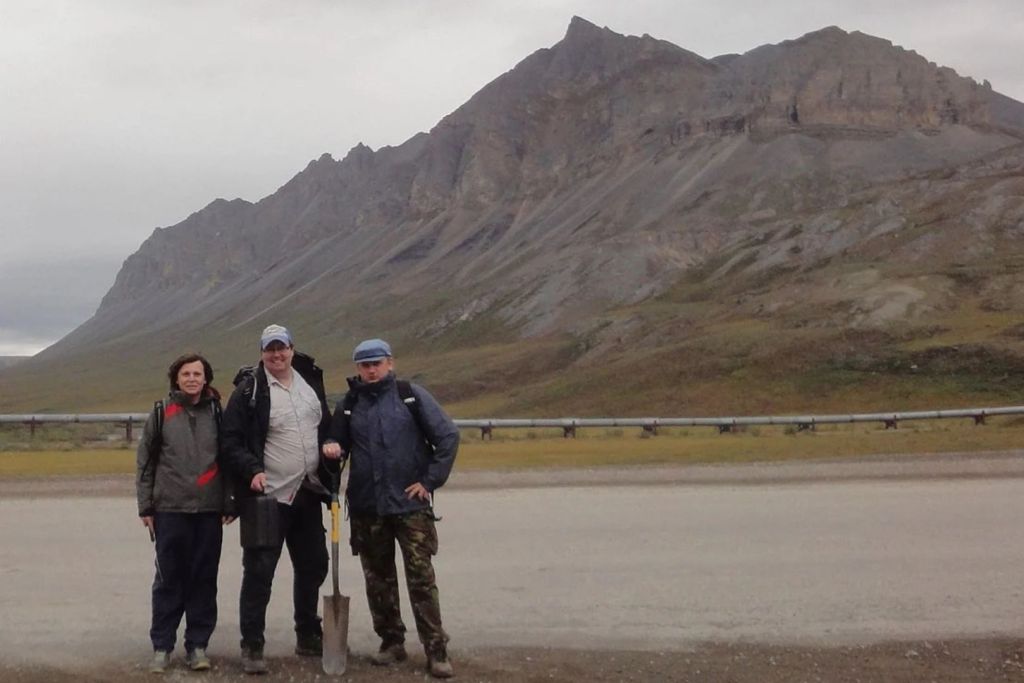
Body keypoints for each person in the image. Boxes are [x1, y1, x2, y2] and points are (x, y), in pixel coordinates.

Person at [322, 338, 460, 678]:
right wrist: (332, 447)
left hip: (410, 506)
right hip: (368, 505)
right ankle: (391, 642)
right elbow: (334, 440)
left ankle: (436, 649)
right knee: (378, 579)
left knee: (420, 578)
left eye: (377, 363)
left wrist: (428, 482)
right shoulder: (350, 404)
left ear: (389, 363)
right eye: (364, 365)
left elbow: (448, 437)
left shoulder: (410, 396)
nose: (371, 370)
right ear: (357, 368)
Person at [220, 324, 337, 675]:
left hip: (308, 491)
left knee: (314, 565)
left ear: (291, 348)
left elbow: (324, 425)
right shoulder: (249, 390)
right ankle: (252, 645)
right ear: (261, 353)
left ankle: (307, 633)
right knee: (259, 573)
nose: (276, 354)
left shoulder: (309, 382)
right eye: (269, 349)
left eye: (281, 348)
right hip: (267, 497)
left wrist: (331, 447)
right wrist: (252, 469)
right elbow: (230, 441)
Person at [136, 352, 235, 674]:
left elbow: (227, 459)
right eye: (185, 374)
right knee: (168, 579)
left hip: (208, 510)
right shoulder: (162, 412)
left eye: (197, 373)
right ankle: (162, 646)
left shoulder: (217, 413)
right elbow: (146, 463)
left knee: (203, 579)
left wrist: (229, 500)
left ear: (206, 378)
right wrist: (146, 506)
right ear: (175, 379)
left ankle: (197, 646)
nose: (192, 378)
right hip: (170, 509)